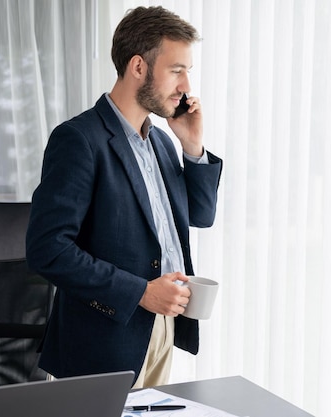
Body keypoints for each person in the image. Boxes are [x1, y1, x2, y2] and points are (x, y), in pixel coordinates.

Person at [26, 6, 222, 388]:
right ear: (138, 67)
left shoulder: (163, 143)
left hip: (160, 328)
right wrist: (141, 293)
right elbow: (47, 249)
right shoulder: (80, 140)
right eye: (176, 70)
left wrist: (193, 146)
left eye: (188, 73)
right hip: (101, 340)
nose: (186, 86)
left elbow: (201, 214)